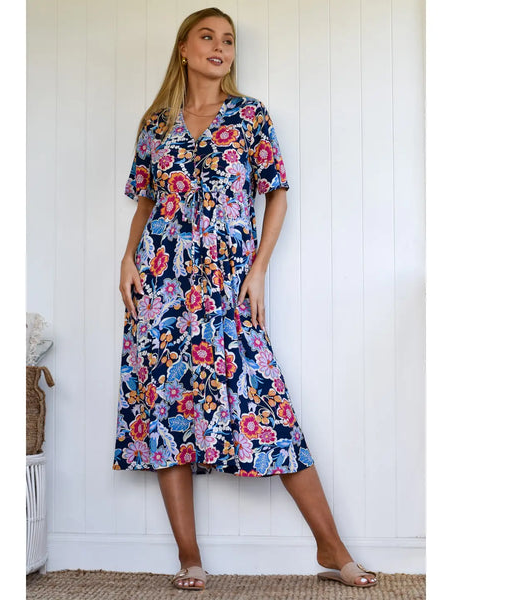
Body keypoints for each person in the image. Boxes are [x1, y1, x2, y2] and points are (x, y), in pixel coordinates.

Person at [113, 6, 378, 592]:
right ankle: (189, 557)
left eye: (228, 40)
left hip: (229, 284)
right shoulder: (156, 124)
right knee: (166, 412)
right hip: (160, 284)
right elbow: (146, 202)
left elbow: (276, 193)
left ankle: (331, 548)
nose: (220, 47)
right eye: (207, 36)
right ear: (184, 48)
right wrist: (128, 258)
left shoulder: (250, 116)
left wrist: (258, 270)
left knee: (269, 407)